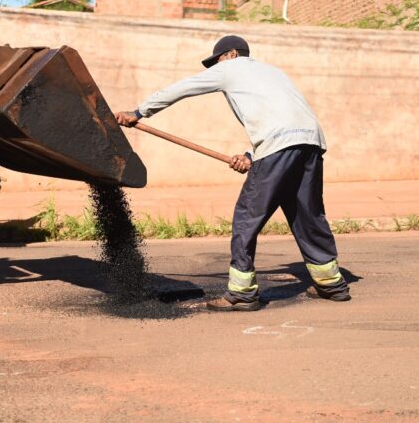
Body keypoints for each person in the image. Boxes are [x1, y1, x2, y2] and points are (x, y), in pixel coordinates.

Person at [116, 35, 351, 312]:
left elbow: (182, 88)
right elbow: (282, 117)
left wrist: (139, 111)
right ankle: (332, 284)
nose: (215, 67)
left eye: (216, 61)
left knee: (246, 218)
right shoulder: (274, 72)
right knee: (307, 214)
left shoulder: (230, 67)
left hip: (278, 145)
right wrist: (251, 156)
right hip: (310, 143)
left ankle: (241, 294)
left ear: (230, 54)